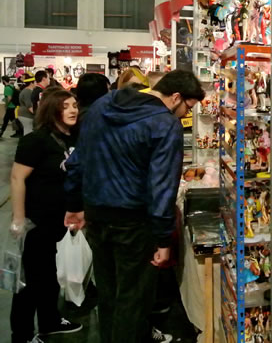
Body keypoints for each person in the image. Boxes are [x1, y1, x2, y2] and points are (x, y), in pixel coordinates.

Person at [63, 70, 205, 343]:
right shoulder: (165, 124)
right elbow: (162, 185)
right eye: (188, 107)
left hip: (97, 214)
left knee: (108, 293)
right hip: (134, 223)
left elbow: (78, 159)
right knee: (133, 300)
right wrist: (163, 238)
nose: (186, 114)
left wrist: (74, 203)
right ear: (176, 97)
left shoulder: (103, 105)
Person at [9, 89, 82, 343]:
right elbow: (17, 178)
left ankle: (49, 320)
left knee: (49, 275)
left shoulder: (75, 138)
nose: (72, 110)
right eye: (65, 106)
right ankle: (22, 334)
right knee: (31, 279)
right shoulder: (36, 141)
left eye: (74, 105)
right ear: (52, 110)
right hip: (37, 220)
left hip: (61, 220)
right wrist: (19, 219)